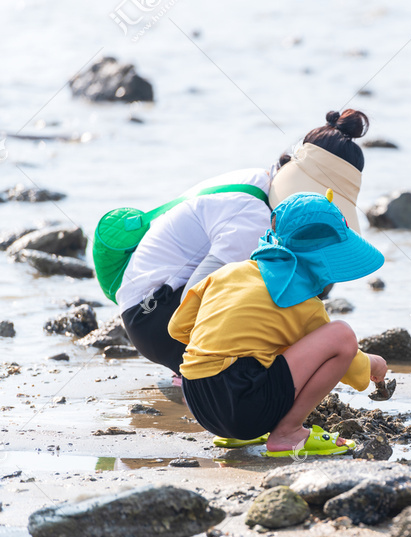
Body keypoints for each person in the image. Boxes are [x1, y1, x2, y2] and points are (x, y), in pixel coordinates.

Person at [118, 109, 369, 376]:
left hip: (148, 307)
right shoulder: (254, 214)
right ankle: (198, 373)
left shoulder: (261, 180)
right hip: (155, 318)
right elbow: (199, 293)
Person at [168, 192, 388, 456]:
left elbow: (177, 328)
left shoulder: (227, 273)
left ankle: (236, 435)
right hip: (243, 404)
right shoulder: (303, 305)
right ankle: (287, 433)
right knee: (342, 335)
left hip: (198, 402)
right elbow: (349, 363)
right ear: (322, 261)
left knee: (267, 344)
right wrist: (373, 364)